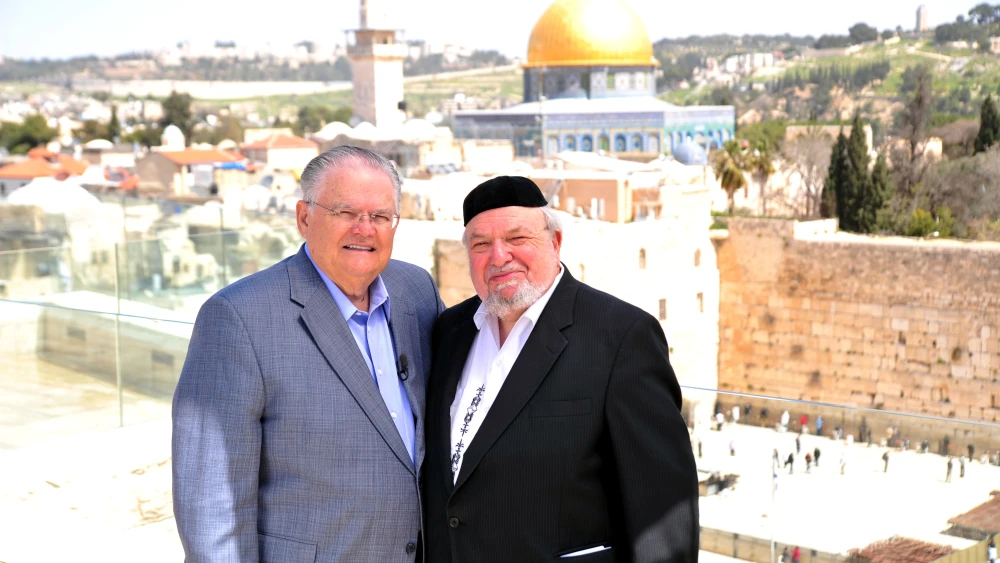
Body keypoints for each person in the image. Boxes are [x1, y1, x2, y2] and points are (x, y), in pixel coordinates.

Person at [172, 147, 444, 562]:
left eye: (380, 216)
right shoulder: (238, 317)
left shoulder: (417, 291)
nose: (364, 229)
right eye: (345, 212)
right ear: (303, 218)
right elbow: (212, 506)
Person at [424, 176, 699, 562]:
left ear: (555, 242)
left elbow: (663, 514)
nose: (499, 257)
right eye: (481, 244)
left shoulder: (620, 337)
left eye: (517, 238)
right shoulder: (449, 331)